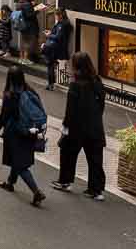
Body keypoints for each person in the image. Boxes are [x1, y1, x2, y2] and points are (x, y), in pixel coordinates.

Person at [0, 65, 47, 207]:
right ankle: (10, 183)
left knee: (20, 165)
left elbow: (4, 116)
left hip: (15, 133)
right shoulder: (29, 90)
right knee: (18, 159)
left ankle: (36, 192)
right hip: (30, 132)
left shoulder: (11, 95)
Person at [52, 52, 106, 200]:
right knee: (95, 159)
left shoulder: (75, 85)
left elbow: (71, 110)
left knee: (68, 154)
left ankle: (65, 181)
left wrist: (65, 126)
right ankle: (96, 190)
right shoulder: (97, 81)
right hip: (95, 127)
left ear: (76, 66)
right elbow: (101, 104)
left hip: (77, 128)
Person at [41, 8, 72, 90]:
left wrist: (49, 35)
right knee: (51, 65)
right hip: (57, 48)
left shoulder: (62, 25)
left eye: (56, 15)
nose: (55, 17)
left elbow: (58, 37)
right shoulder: (64, 24)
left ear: (60, 15)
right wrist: (51, 33)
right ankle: (51, 83)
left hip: (55, 48)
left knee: (50, 66)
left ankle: (51, 84)